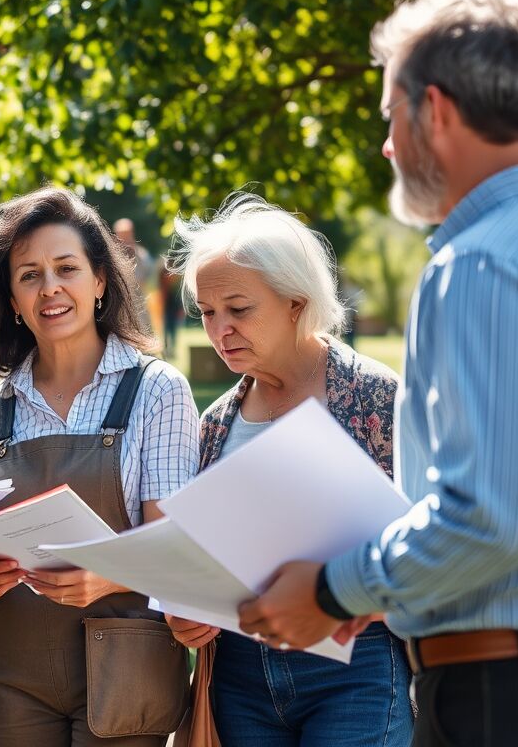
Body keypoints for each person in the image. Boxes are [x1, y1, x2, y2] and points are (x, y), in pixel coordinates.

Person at [238, 0, 518, 746]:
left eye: (390, 116)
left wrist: (332, 590)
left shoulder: (480, 265)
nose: (387, 145)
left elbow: (491, 521)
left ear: (433, 111)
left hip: (514, 695)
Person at [0, 187, 199, 747]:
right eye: (29, 275)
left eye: (67, 268)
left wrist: (106, 575)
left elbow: (174, 545)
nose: (50, 288)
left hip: (126, 667)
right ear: (12, 300)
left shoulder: (157, 391)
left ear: (101, 280)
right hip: (11, 677)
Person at [164, 193, 412, 746]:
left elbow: (425, 543)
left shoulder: (376, 396)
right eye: (207, 312)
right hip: (240, 676)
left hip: (355, 665)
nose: (220, 329)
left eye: (238, 308)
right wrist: (187, 615)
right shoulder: (215, 422)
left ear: (296, 303)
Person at [114, 217, 156, 335]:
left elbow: (151, 280)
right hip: (118, 311)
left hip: (140, 309)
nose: (124, 239)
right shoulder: (111, 256)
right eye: (121, 235)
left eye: (127, 234)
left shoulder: (142, 255)